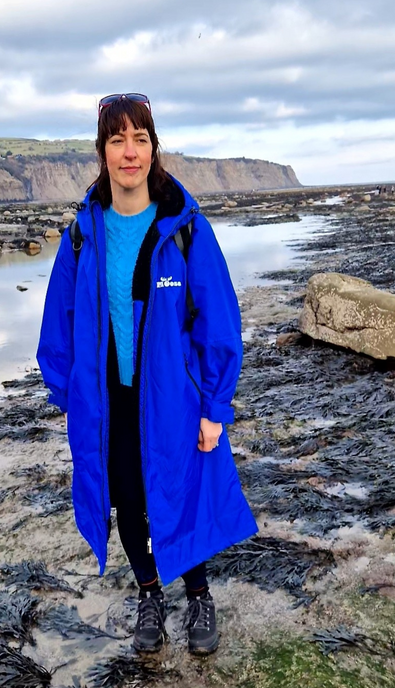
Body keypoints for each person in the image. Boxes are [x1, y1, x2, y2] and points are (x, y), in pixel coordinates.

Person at [37, 93, 258, 656]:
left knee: (180, 492)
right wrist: (69, 395)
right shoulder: (82, 236)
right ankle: (149, 594)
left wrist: (215, 406)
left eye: (140, 139)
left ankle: (200, 594)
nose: (129, 152)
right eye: (117, 140)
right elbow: (57, 325)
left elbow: (219, 321)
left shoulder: (183, 228)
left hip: (173, 399)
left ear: (154, 149)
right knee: (128, 499)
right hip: (110, 399)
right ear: (103, 152)